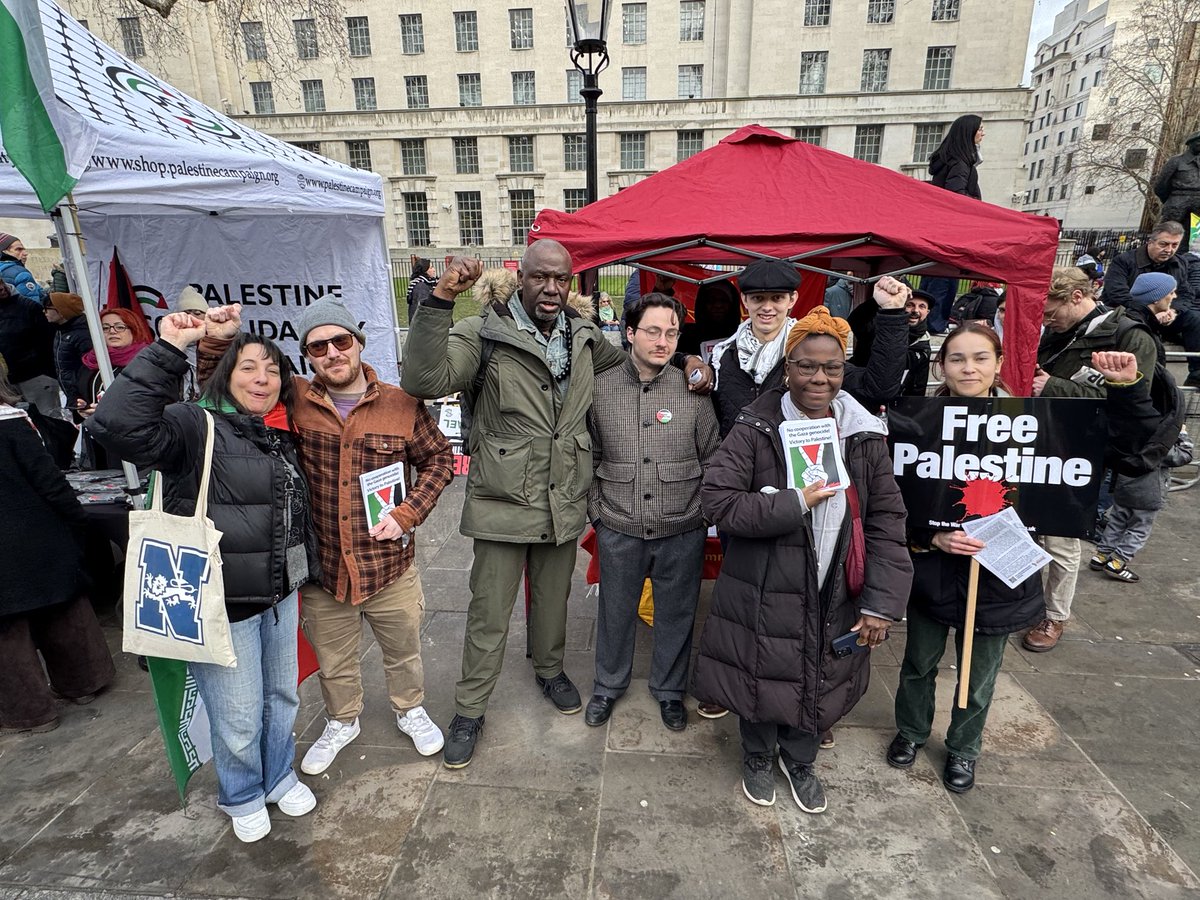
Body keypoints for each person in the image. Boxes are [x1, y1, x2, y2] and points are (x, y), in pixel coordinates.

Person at [401, 241, 711, 769]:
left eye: (561, 279)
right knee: (489, 613)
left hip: (563, 497)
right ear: (519, 277)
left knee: (552, 601)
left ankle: (549, 671)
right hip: (504, 498)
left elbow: (640, 357)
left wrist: (687, 360)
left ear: (571, 283)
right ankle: (470, 710)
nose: (551, 288)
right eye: (540, 277)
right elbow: (423, 380)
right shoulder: (484, 332)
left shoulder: (584, 337)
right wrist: (441, 298)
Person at [88, 313, 322, 843]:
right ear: (226, 376)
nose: (262, 378)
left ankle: (278, 775)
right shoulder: (194, 426)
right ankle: (241, 793)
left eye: (272, 370)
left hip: (280, 595)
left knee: (281, 697)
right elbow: (117, 425)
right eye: (249, 367)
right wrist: (170, 346)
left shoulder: (273, 432)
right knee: (238, 712)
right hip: (221, 602)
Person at [199, 298, 454, 774]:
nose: (333, 352)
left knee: (403, 651)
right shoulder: (293, 398)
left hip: (388, 565)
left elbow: (439, 460)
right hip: (324, 569)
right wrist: (216, 341)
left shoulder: (402, 403)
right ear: (307, 356)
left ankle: (410, 709)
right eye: (319, 347)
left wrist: (407, 514)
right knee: (334, 660)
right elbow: (229, 390)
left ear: (359, 342)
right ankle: (343, 720)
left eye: (341, 341)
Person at [694, 307, 911, 812]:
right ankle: (756, 755)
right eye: (807, 366)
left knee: (822, 670)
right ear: (787, 368)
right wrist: (793, 504)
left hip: (836, 580)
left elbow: (887, 520)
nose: (819, 378)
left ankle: (801, 758)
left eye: (832, 367)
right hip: (765, 581)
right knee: (760, 667)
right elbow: (717, 502)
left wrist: (881, 602)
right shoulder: (756, 427)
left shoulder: (862, 434)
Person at [886, 323, 1044, 794]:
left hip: (998, 576)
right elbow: (895, 501)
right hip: (933, 574)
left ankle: (964, 748)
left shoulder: (1033, 425)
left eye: (980, 358)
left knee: (979, 674)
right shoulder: (917, 423)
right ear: (942, 366)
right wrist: (932, 539)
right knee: (919, 662)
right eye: (957, 358)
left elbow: (1057, 488)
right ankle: (911, 731)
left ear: (999, 363)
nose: (969, 368)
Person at [584, 293, 720, 732]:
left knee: (677, 612)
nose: (663, 342)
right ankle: (608, 685)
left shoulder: (692, 388)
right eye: (653, 331)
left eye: (672, 334)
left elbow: (712, 454)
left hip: (683, 524)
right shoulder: (600, 387)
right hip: (618, 522)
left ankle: (669, 690)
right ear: (629, 333)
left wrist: (702, 514)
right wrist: (597, 513)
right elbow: (588, 454)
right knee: (615, 610)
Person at [1024, 267, 1158, 651]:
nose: (1048, 321)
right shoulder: (1061, 333)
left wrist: (1053, 386)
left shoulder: (1129, 336)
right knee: (1028, 532)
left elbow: (1132, 402)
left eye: (1052, 312)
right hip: (1041, 442)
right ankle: (1025, 605)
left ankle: (1055, 616)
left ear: (1077, 297)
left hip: (1077, 453)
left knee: (1062, 540)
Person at [0, 367, 114, 734]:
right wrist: (75, 519)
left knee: (8, 635)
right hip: (40, 536)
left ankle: (32, 713)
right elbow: (50, 481)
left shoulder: (12, 422)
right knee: (64, 609)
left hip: (24, 540)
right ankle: (84, 683)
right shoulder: (13, 422)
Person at [710, 258, 910, 439]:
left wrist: (892, 314)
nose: (767, 307)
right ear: (745, 300)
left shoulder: (813, 349)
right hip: (737, 465)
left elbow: (878, 389)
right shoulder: (722, 357)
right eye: (758, 298)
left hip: (800, 465)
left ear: (792, 299)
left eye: (777, 298)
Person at [1091, 274, 1193, 583]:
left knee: (1119, 516)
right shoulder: (1139, 333)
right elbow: (1142, 389)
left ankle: (1102, 554)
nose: (1173, 298)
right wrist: (1179, 434)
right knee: (1139, 525)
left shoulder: (1134, 322)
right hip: (1142, 446)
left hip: (1127, 475)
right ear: (1155, 296)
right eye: (1170, 293)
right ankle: (1118, 562)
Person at [1101, 221, 1200, 387]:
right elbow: (1117, 294)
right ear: (1150, 241)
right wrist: (1150, 313)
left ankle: (1197, 374)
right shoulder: (1124, 261)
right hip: (1129, 315)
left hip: (1165, 315)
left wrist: (1174, 311)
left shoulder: (1179, 263)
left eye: (1174, 245)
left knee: (1195, 319)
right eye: (1164, 244)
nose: (1169, 250)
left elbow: (1186, 293)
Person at [923, 115, 985, 333]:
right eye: (980, 129)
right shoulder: (960, 163)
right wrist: (977, 204)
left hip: (940, 230)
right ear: (969, 133)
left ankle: (931, 321)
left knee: (936, 276)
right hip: (951, 233)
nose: (983, 133)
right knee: (945, 278)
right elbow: (956, 196)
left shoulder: (950, 161)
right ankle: (935, 323)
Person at [849, 288, 933, 397]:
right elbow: (856, 321)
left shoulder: (923, 344)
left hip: (896, 402)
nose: (915, 310)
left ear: (927, 312)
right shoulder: (878, 327)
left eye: (922, 306)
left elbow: (918, 384)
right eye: (910, 305)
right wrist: (877, 300)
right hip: (859, 392)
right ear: (901, 306)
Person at [0, 279, 58, 417]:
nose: (1, 289)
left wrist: (47, 373)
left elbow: (50, 340)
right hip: (7, 382)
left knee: (50, 420)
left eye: (1, 284)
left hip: (36, 376)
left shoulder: (29, 307)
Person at [43, 292, 93, 408]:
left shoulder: (82, 334)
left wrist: (80, 392)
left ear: (61, 311)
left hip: (83, 395)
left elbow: (89, 368)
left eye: (47, 309)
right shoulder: (61, 331)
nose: (44, 312)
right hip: (71, 393)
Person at [1153, 129, 1200, 247]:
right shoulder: (1176, 161)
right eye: (1198, 142)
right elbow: (1161, 185)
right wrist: (1171, 200)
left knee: (1196, 240)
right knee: (1168, 233)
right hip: (1178, 199)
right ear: (1190, 143)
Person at [678, 281, 741, 358]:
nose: (718, 305)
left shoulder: (744, 335)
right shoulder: (686, 336)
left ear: (732, 305)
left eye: (723, 300)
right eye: (711, 300)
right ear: (702, 304)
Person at [0, 233, 49, 304]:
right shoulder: (21, 273)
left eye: (24, 249)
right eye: (18, 249)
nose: (25, 253)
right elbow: (32, 305)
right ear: (4, 252)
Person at [405, 258, 437, 325]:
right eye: (431, 268)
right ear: (424, 270)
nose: (434, 270)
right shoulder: (421, 286)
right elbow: (422, 308)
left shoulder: (429, 283)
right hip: (423, 325)